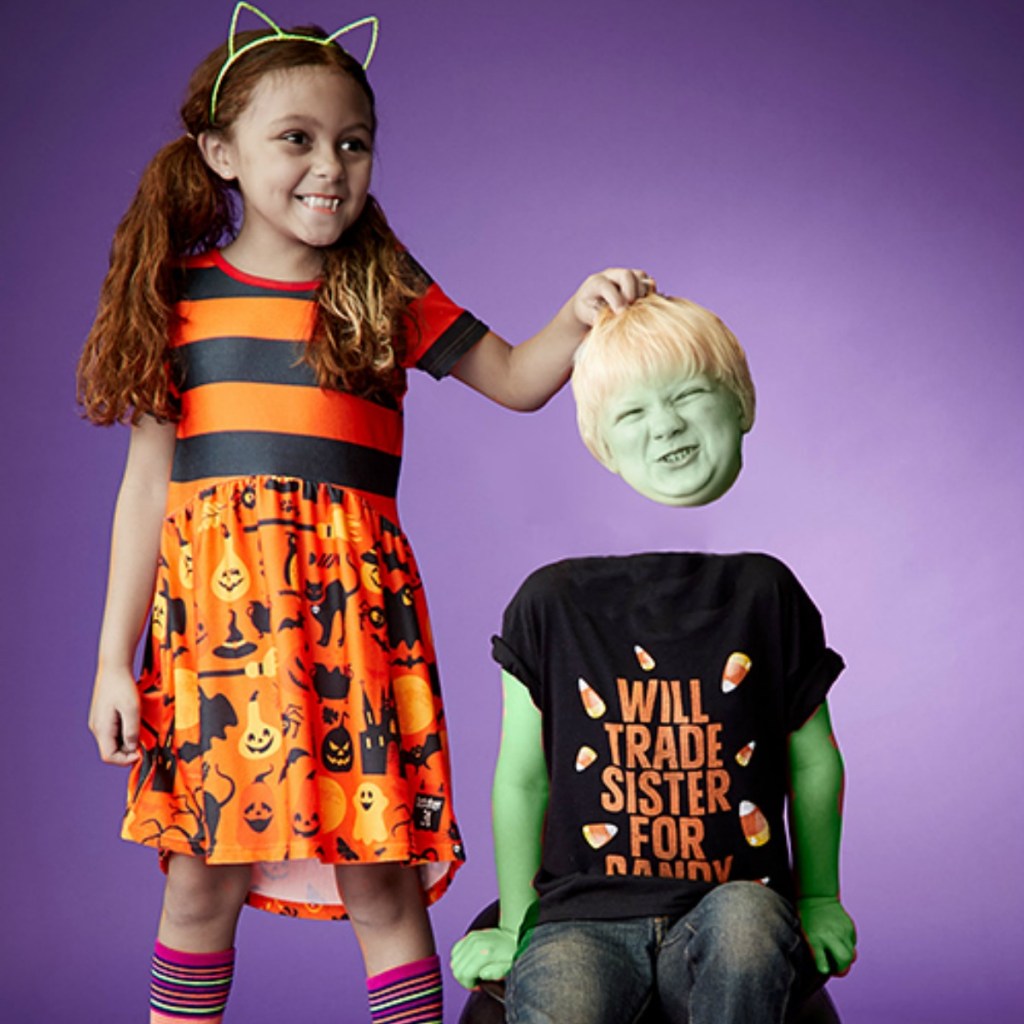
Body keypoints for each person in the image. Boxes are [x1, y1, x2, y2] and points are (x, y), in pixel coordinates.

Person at [78, 6, 652, 1022]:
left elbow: (519, 379)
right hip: (216, 643)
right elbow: (147, 491)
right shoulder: (181, 302)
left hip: (352, 630)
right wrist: (111, 662)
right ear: (220, 151)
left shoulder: (387, 290)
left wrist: (581, 311)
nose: (329, 165)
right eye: (295, 139)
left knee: (380, 878)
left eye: (352, 142)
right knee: (199, 879)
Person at [451, 295, 857, 1023]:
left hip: (731, 901)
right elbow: (521, 778)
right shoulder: (548, 603)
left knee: (746, 922)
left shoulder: (766, 592)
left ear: (742, 405)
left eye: (689, 395)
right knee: (563, 998)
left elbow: (813, 759)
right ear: (601, 445)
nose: (665, 424)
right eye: (632, 414)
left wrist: (820, 897)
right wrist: (516, 922)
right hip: (581, 917)